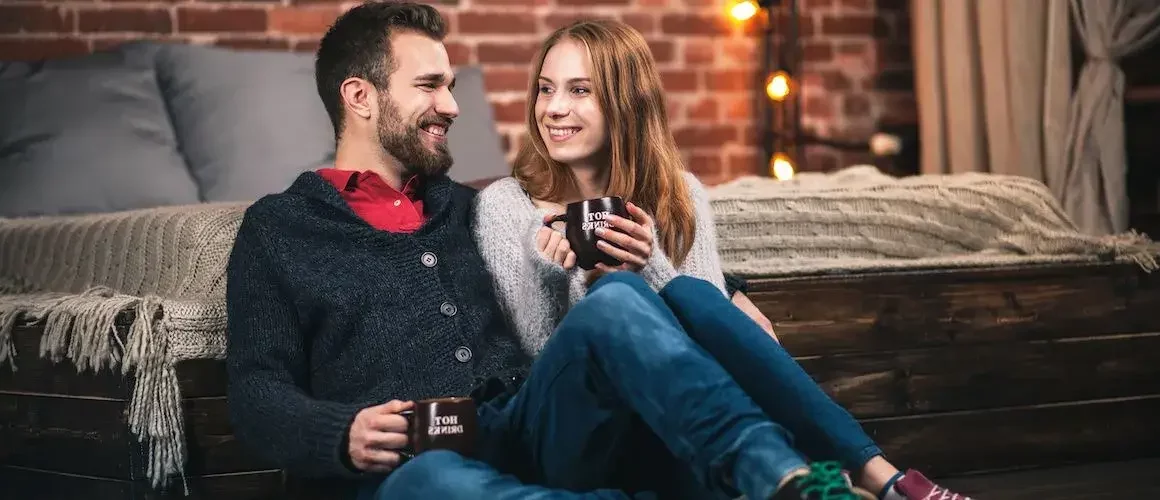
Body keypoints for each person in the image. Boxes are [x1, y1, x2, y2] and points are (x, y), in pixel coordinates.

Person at [224, 3, 973, 500]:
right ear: (361, 97)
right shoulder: (282, 230)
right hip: (414, 464)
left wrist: (721, 285)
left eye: (452, 85)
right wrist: (339, 435)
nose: (454, 105)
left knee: (620, 299)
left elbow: (610, 290)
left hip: (524, 425)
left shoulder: (465, 205)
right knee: (432, 485)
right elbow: (257, 392)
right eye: (431, 87)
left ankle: (782, 480)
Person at [470, 18, 974, 500]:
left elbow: (708, 339)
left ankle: (886, 479)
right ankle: (843, 478)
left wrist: (652, 265)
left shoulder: (679, 195)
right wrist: (553, 274)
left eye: (579, 90)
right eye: (545, 88)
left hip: (682, 434)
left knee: (689, 293)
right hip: (586, 433)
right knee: (618, 296)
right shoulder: (506, 205)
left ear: (626, 102)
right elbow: (538, 360)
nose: (553, 108)